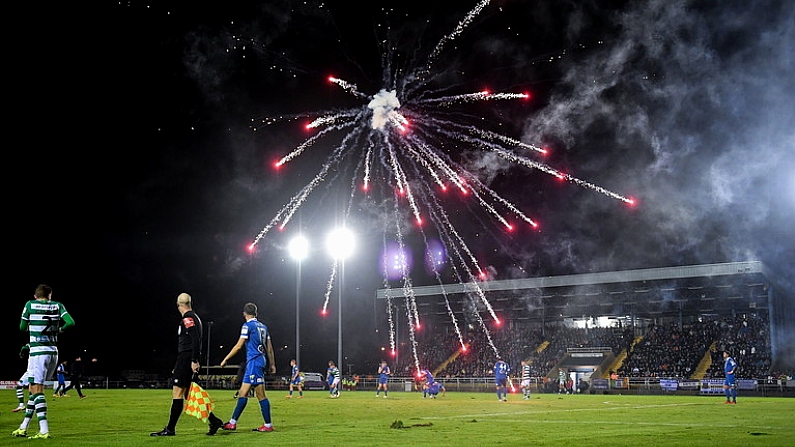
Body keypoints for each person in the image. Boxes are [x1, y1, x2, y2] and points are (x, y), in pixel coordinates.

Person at [150, 293, 224, 437]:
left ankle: (170, 429)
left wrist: (193, 360)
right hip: (186, 358)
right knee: (190, 394)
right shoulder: (195, 317)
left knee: (177, 393)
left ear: (178, 305)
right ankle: (214, 421)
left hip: (186, 357)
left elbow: (195, 339)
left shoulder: (188, 318)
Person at [12, 284, 75, 439]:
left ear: (35, 295)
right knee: (33, 390)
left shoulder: (30, 304)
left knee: (37, 391)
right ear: (50, 295)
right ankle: (23, 427)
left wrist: (32, 328)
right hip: (53, 352)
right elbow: (71, 323)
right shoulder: (57, 305)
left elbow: (21, 327)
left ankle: (44, 430)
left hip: (38, 352)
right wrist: (59, 330)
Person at [219, 302, 277, 432]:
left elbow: (239, 346)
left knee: (260, 395)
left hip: (254, 362)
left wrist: (225, 359)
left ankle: (268, 425)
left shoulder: (247, 326)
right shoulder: (263, 327)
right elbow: (270, 348)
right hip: (258, 362)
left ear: (244, 314)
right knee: (242, 393)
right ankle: (232, 423)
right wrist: (272, 364)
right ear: (256, 313)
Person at [12, 343, 31, 413]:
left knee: (20, 386)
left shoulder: (33, 346)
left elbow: (24, 347)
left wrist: (21, 353)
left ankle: (26, 406)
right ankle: (25, 405)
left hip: (32, 371)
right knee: (32, 387)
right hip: (36, 370)